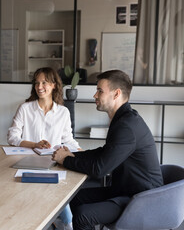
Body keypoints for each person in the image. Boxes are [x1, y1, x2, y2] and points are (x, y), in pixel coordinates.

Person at [52, 70, 163, 230]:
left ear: (116, 94)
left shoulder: (126, 126)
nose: (94, 96)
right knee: (75, 198)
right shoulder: (124, 119)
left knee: (83, 215)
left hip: (140, 199)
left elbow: (100, 169)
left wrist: (65, 160)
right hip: (125, 190)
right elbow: (104, 152)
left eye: (100, 91)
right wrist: (73, 155)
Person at [7, 67, 80, 230]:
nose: (39, 87)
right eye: (37, 83)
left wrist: (82, 152)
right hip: (26, 164)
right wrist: (34, 144)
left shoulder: (63, 112)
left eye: (44, 83)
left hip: (53, 164)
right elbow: (12, 137)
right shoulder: (25, 108)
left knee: (66, 216)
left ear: (54, 85)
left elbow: (68, 140)